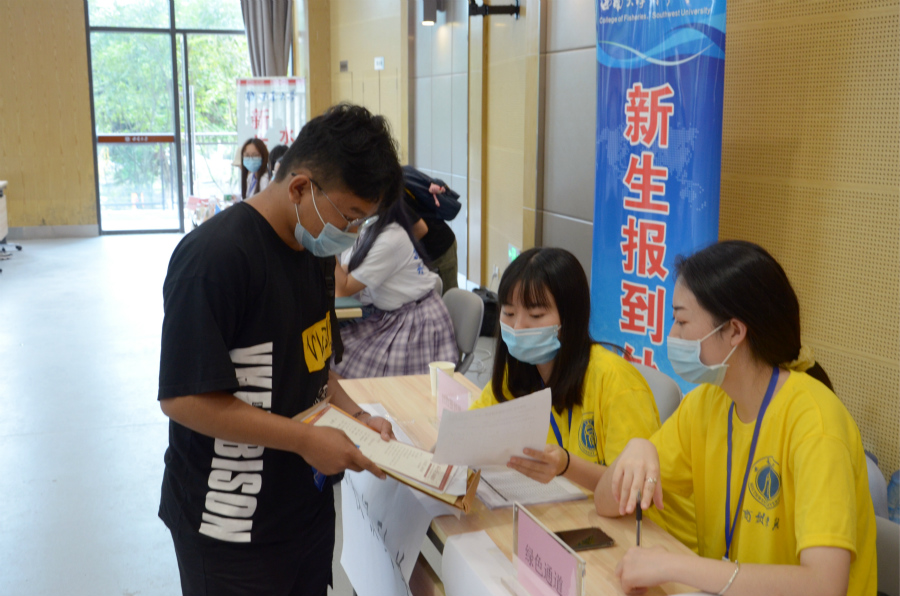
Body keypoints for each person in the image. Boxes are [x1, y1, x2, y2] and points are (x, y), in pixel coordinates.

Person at [157, 104, 404, 596]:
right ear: (300, 188)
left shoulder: (314, 252)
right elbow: (184, 399)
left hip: (301, 513)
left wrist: (358, 416)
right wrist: (305, 440)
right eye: (350, 217)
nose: (351, 234)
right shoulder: (214, 259)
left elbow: (315, 363)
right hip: (228, 523)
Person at [594, 241, 877, 596]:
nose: (671, 335)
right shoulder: (706, 403)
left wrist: (675, 565)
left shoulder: (815, 422)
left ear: (734, 331)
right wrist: (635, 450)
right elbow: (605, 503)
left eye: (681, 321)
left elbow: (824, 586)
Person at [469, 248, 662, 490]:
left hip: (600, 511)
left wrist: (567, 466)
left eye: (536, 315)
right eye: (509, 313)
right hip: (541, 504)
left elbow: (632, 488)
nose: (518, 327)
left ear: (570, 317)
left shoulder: (615, 381)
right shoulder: (516, 373)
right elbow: (473, 433)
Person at [330, 200, 457, 378]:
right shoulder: (370, 228)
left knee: (339, 360)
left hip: (416, 324)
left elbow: (343, 289)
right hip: (393, 316)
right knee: (334, 350)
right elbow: (347, 270)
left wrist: (329, 247)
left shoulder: (390, 239)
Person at [401, 165, 461, 294]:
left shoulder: (395, 193)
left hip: (440, 250)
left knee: (447, 300)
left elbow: (420, 229)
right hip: (429, 248)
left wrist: (397, 252)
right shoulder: (401, 173)